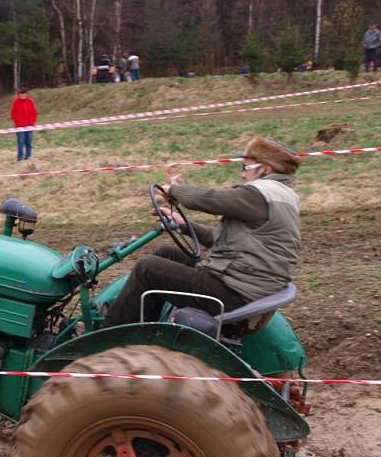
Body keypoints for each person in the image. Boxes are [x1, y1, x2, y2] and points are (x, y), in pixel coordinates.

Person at [104, 137, 301, 327]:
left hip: (236, 293)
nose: (242, 174)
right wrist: (183, 225)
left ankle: (108, 336)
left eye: (245, 167)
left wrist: (173, 190)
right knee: (165, 254)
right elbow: (221, 239)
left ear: (265, 168)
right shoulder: (280, 195)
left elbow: (211, 199)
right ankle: (144, 324)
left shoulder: (260, 194)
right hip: (246, 285)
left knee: (147, 268)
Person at [10, 87, 38, 162]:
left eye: (24, 94)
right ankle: (20, 158)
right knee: (21, 142)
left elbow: (34, 112)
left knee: (29, 142)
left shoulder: (30, 101)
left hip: (29, 126)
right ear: (19, 95)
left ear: (26, 94)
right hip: (20, 127)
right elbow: (13, 114)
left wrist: (32, 121)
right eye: (21, 94)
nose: (23, 96)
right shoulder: (15, 102)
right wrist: (17, 122)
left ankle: (28, 157)